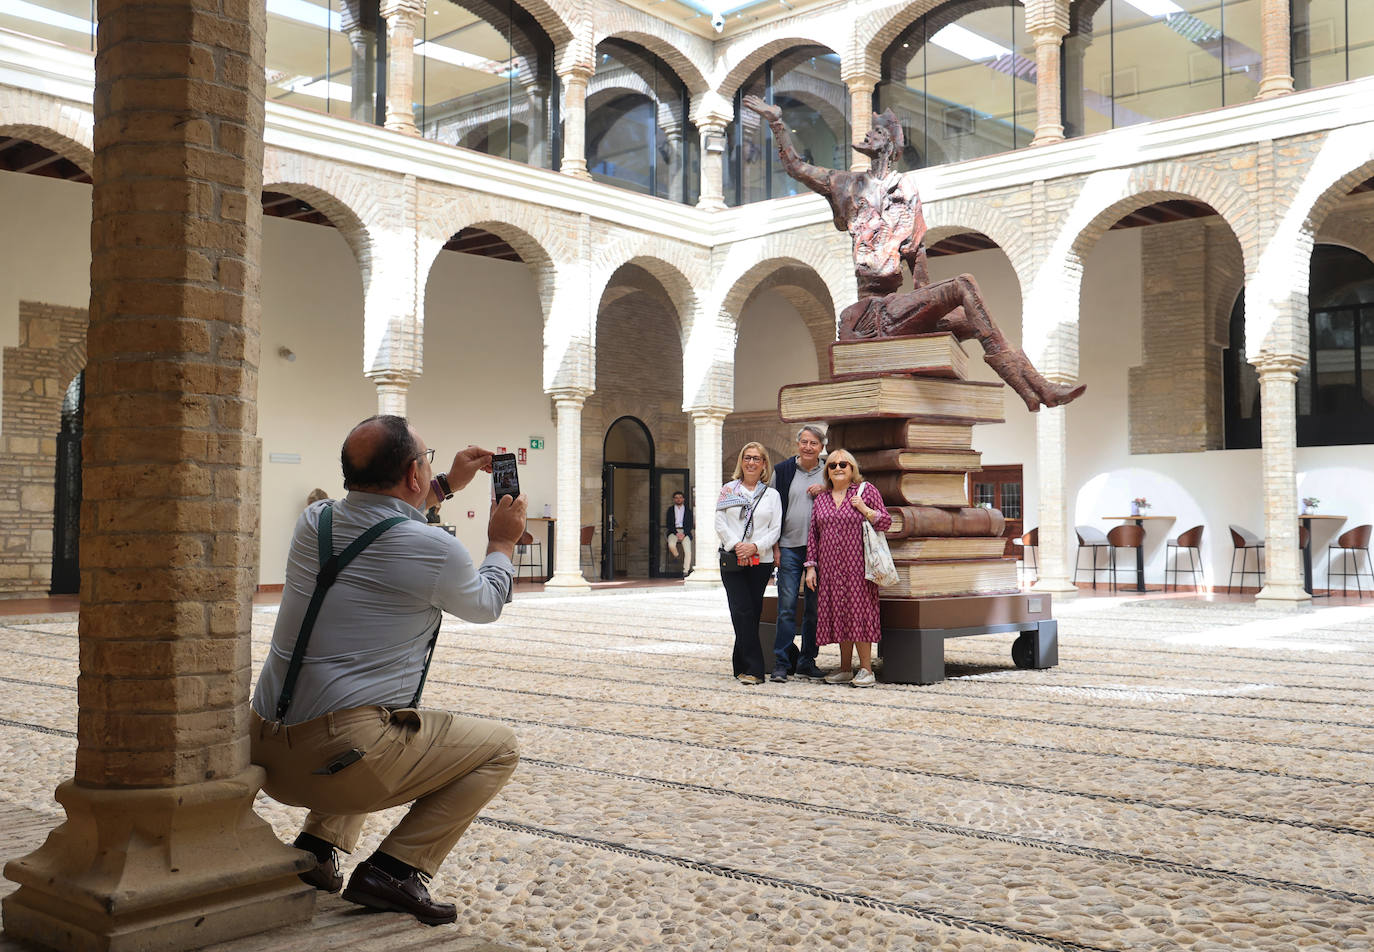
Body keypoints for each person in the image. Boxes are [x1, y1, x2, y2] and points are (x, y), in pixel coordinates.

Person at [249, 414, 526, 927]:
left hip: (264, 746)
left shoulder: (315, 521)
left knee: (372, 708)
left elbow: (382, 518)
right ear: (413, 474)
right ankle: (398, 870)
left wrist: (442, 485)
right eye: (427, 460)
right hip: (337, 762)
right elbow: (487, 603)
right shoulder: (433, 547)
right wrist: (502, 543)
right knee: (499, 746)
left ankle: (317, 847)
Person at [742, 96, 1085, 413]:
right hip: (872, 311)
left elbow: (918, 265)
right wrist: (777, 124)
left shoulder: (906, 192)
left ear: (889, 144)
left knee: (971, 318)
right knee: (964, 285)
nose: (868, 134)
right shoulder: (847, 184)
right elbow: (797, 168)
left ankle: (1032, 388)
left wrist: (928, 305)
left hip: (898, 310)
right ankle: (1029, 386)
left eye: (876, 131)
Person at [804, 448, 891, 688]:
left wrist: (864, 509)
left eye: (844, 464)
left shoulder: (866, 491)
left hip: (860, 568)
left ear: (852, 469)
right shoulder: (821, 498)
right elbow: (813, 534)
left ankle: (865, 669)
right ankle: (844, 668)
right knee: (841, 615)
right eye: (833, 465)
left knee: (859, 614)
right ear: (827, 472)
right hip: (830, 569)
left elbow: (886, 522)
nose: (839, 468)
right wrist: (811, 567)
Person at [715, 441, 782, 685]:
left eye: (757, 458)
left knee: (752, 613)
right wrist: (738, 546)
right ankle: (755, 669)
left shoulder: (772, 495)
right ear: (741, 462)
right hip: (733, 560)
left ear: (764, 464)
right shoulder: (729, 490)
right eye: (747, 457)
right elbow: (720, 522)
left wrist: (755, 547)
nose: (751, 462)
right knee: (741, 610)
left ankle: (739, 663)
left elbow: (775, 529)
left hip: (760, 561)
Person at [770, 425, 828, 682]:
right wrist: (775, 546)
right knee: (787, 606)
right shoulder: (782, 471)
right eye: (804, 442)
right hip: (789, 547)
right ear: (798, 444)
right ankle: (781, 662)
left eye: (813, 443)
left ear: (821, 447)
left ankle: (807, 661)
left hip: (822, 549)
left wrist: (825, 490)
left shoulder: (830, 470)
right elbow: (772, 509)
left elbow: (845, 493)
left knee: (814, 609)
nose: (807, 447)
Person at [664, 489, 694, 577]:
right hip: (674, 532)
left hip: (685, 532)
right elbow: (668, 524)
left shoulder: (688, 511)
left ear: (683, 499)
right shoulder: (670, 510)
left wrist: (684, 533)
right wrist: (676, 533)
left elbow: (690, 524)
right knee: (671, 545)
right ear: (674, 499)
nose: (678, 499)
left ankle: (685, 571)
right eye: (676, 498)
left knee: (688, 552)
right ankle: (677, 556)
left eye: (680, 497)